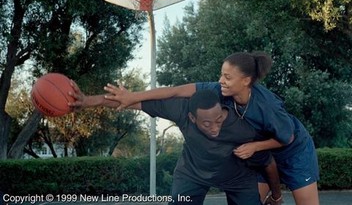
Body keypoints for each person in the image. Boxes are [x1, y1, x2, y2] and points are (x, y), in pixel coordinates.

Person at [100, 52, 320, 205]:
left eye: (227, 77)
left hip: (293, 151)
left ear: (246, 81)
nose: (220, 80)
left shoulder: (268, 106)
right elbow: (176, 91)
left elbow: (287, 137)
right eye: (221, 74)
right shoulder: (219, 90)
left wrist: (254, 146)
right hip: (262, 152)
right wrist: (133, 97)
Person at [69, 87, 282, 205]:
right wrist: (88, 101)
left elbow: (268, 162)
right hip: (192, 174)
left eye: (219, 120)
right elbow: (130, 102)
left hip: (237, 178)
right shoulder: (180, 110)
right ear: (191, 118)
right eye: (207, 124)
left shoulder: (243, 128)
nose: (215, 128)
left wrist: (276, 196)